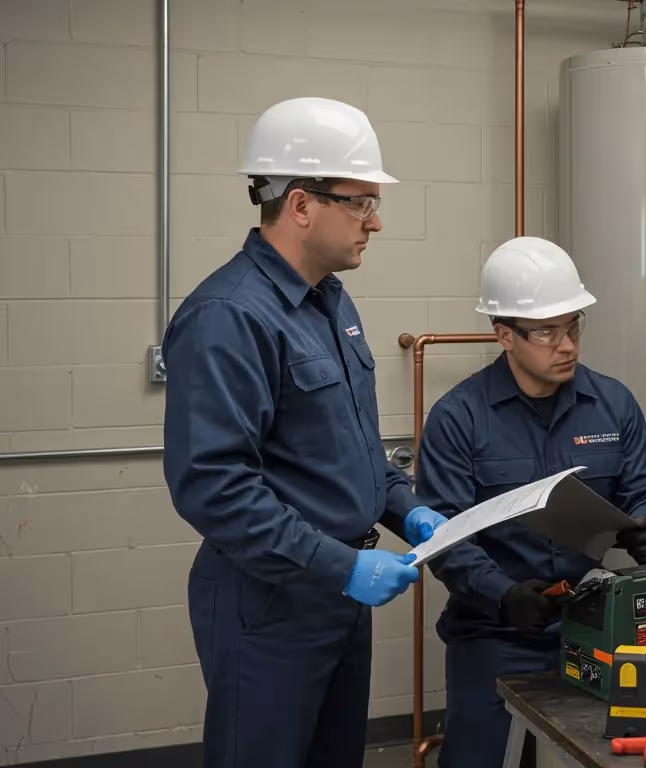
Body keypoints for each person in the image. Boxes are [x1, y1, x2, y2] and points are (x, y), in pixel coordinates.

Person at [162, 96, 450, 768]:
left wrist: (409, 511)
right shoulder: (228, 317)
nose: (375, 221)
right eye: (360, 202)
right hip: (271, 598)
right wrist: (343, 567)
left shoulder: (329, 300)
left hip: (336, 593)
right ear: (300, 205)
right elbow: (215, 489)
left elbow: (350, 447)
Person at [414, 236, 646, 768]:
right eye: (547, 332)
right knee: (481, 759)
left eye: (574, 325)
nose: (568, 345)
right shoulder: (459, 417)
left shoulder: (611, 403)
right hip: (495, 632)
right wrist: (503, 593)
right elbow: (444, 533)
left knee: (605, 757)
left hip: (593, 624)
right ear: (504, 335)